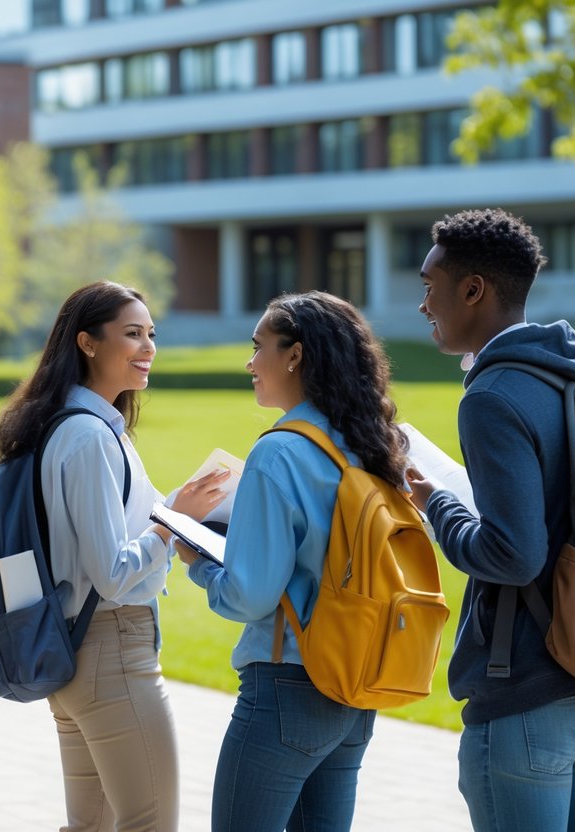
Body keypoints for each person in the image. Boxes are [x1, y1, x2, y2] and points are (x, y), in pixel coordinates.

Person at [406, 208, 575, 832]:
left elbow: (513, 553)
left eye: (429, 286)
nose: (424, 304)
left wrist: (436, 504)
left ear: (472, 289)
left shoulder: (492, 395)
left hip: (529, 687)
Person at [0, 280, 227, 832]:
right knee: (150, 824)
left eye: (151, 335)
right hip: (112, 654)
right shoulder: (89, 436)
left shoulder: (68, 427)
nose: (148, 348)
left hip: (76, 656)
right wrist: (172, 521)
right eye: (132, 334)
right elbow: (113, 573)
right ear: (88, 343)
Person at [179, 291, 408, 832]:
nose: (250, 362)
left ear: (295, 355)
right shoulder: (369, 444)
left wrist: (199, 561)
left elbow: (250, 595)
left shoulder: (279, 451)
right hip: (354, 686)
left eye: (259, 347)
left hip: (286, 686)